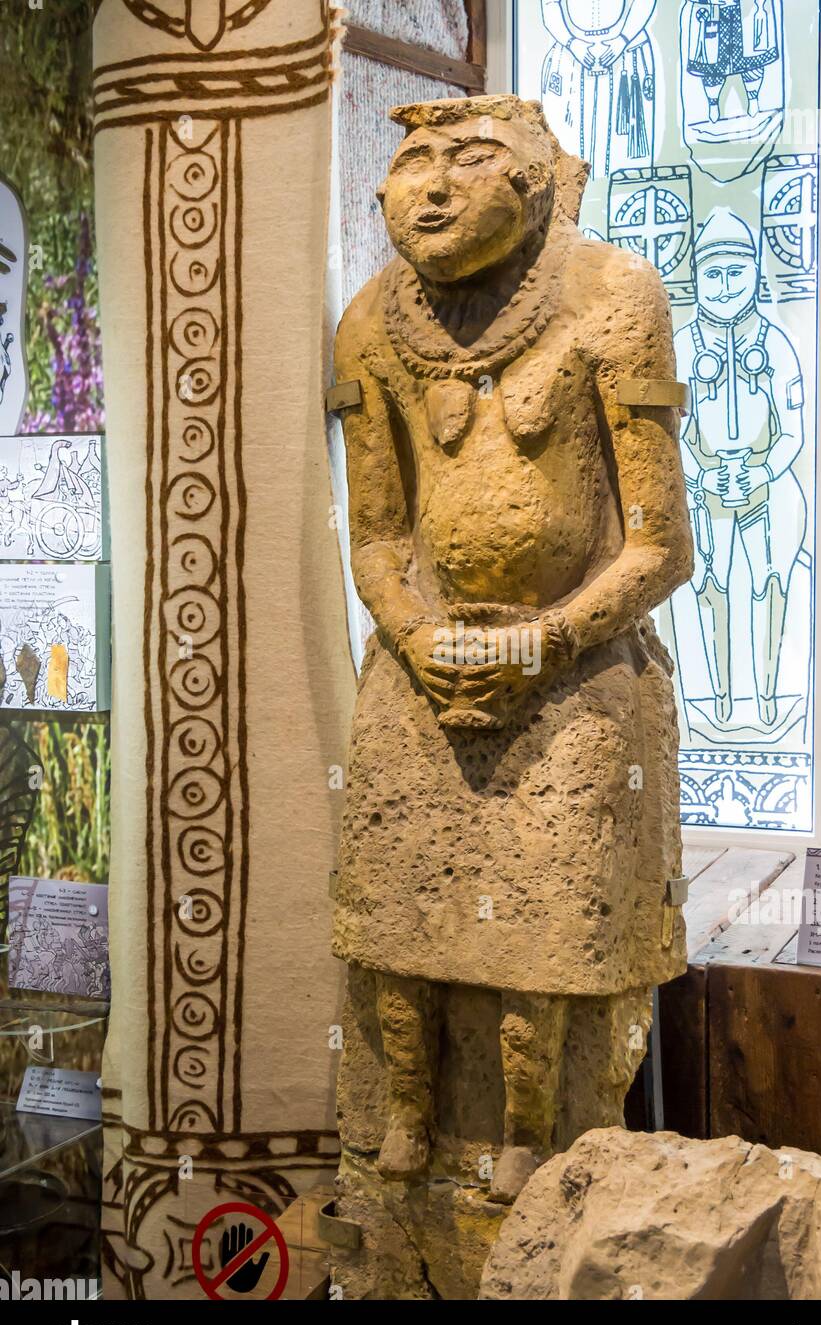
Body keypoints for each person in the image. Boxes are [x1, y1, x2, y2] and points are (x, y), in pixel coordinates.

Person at [333, 94, 693, 1203]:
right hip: (423, 660)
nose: (430, 186)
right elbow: (379, 536)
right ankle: (404, 1114)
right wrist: (414, 635)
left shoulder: (610, 298)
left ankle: (535, 1136)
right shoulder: (369, 324)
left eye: (468, 159)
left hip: (575, 671)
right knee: (397, 911)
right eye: (413, 162)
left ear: (533, 184)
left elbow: (659, 548)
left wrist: (543, 642)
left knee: (543, 917)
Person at [675, 207, 806, 727]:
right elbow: (671, 430)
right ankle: (718, 704)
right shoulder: (681, 345)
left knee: (771, 584)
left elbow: (793, 429)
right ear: (697, 277)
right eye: (714, 274)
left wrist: (764, 471)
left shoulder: (775, 343)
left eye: (736, 273)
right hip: (704, 487)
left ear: (754, 273)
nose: (725, 286)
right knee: (709, 588)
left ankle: (768, 698)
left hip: (768, 487)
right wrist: (701, 474)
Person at [540, 0, 658, 177]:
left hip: (626, 54)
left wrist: (622, 40)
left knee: (625, 155)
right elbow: (550, 4)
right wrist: (572, 43)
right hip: (570, 58)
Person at [686, 0, 779, 124]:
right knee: (711, 62)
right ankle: (713, 104)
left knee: (752, 60)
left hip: (747, 9)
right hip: (712, 11)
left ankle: (753, 100)